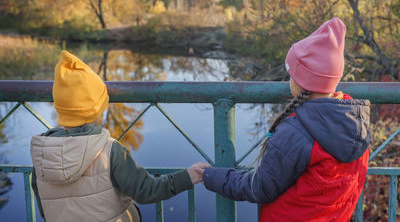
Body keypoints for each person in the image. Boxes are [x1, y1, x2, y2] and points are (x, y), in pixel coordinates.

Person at [196, 17, 370, 221]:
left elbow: (259, 187)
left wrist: (211, 176)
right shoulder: (356, 121)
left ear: (299, 82)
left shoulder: (296, 132)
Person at [30, 50, 207, 222]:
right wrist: (187, 177)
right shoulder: (109, 151)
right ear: (96, 108)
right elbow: (146, 191)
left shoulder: (43, 155)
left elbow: (45, 209)